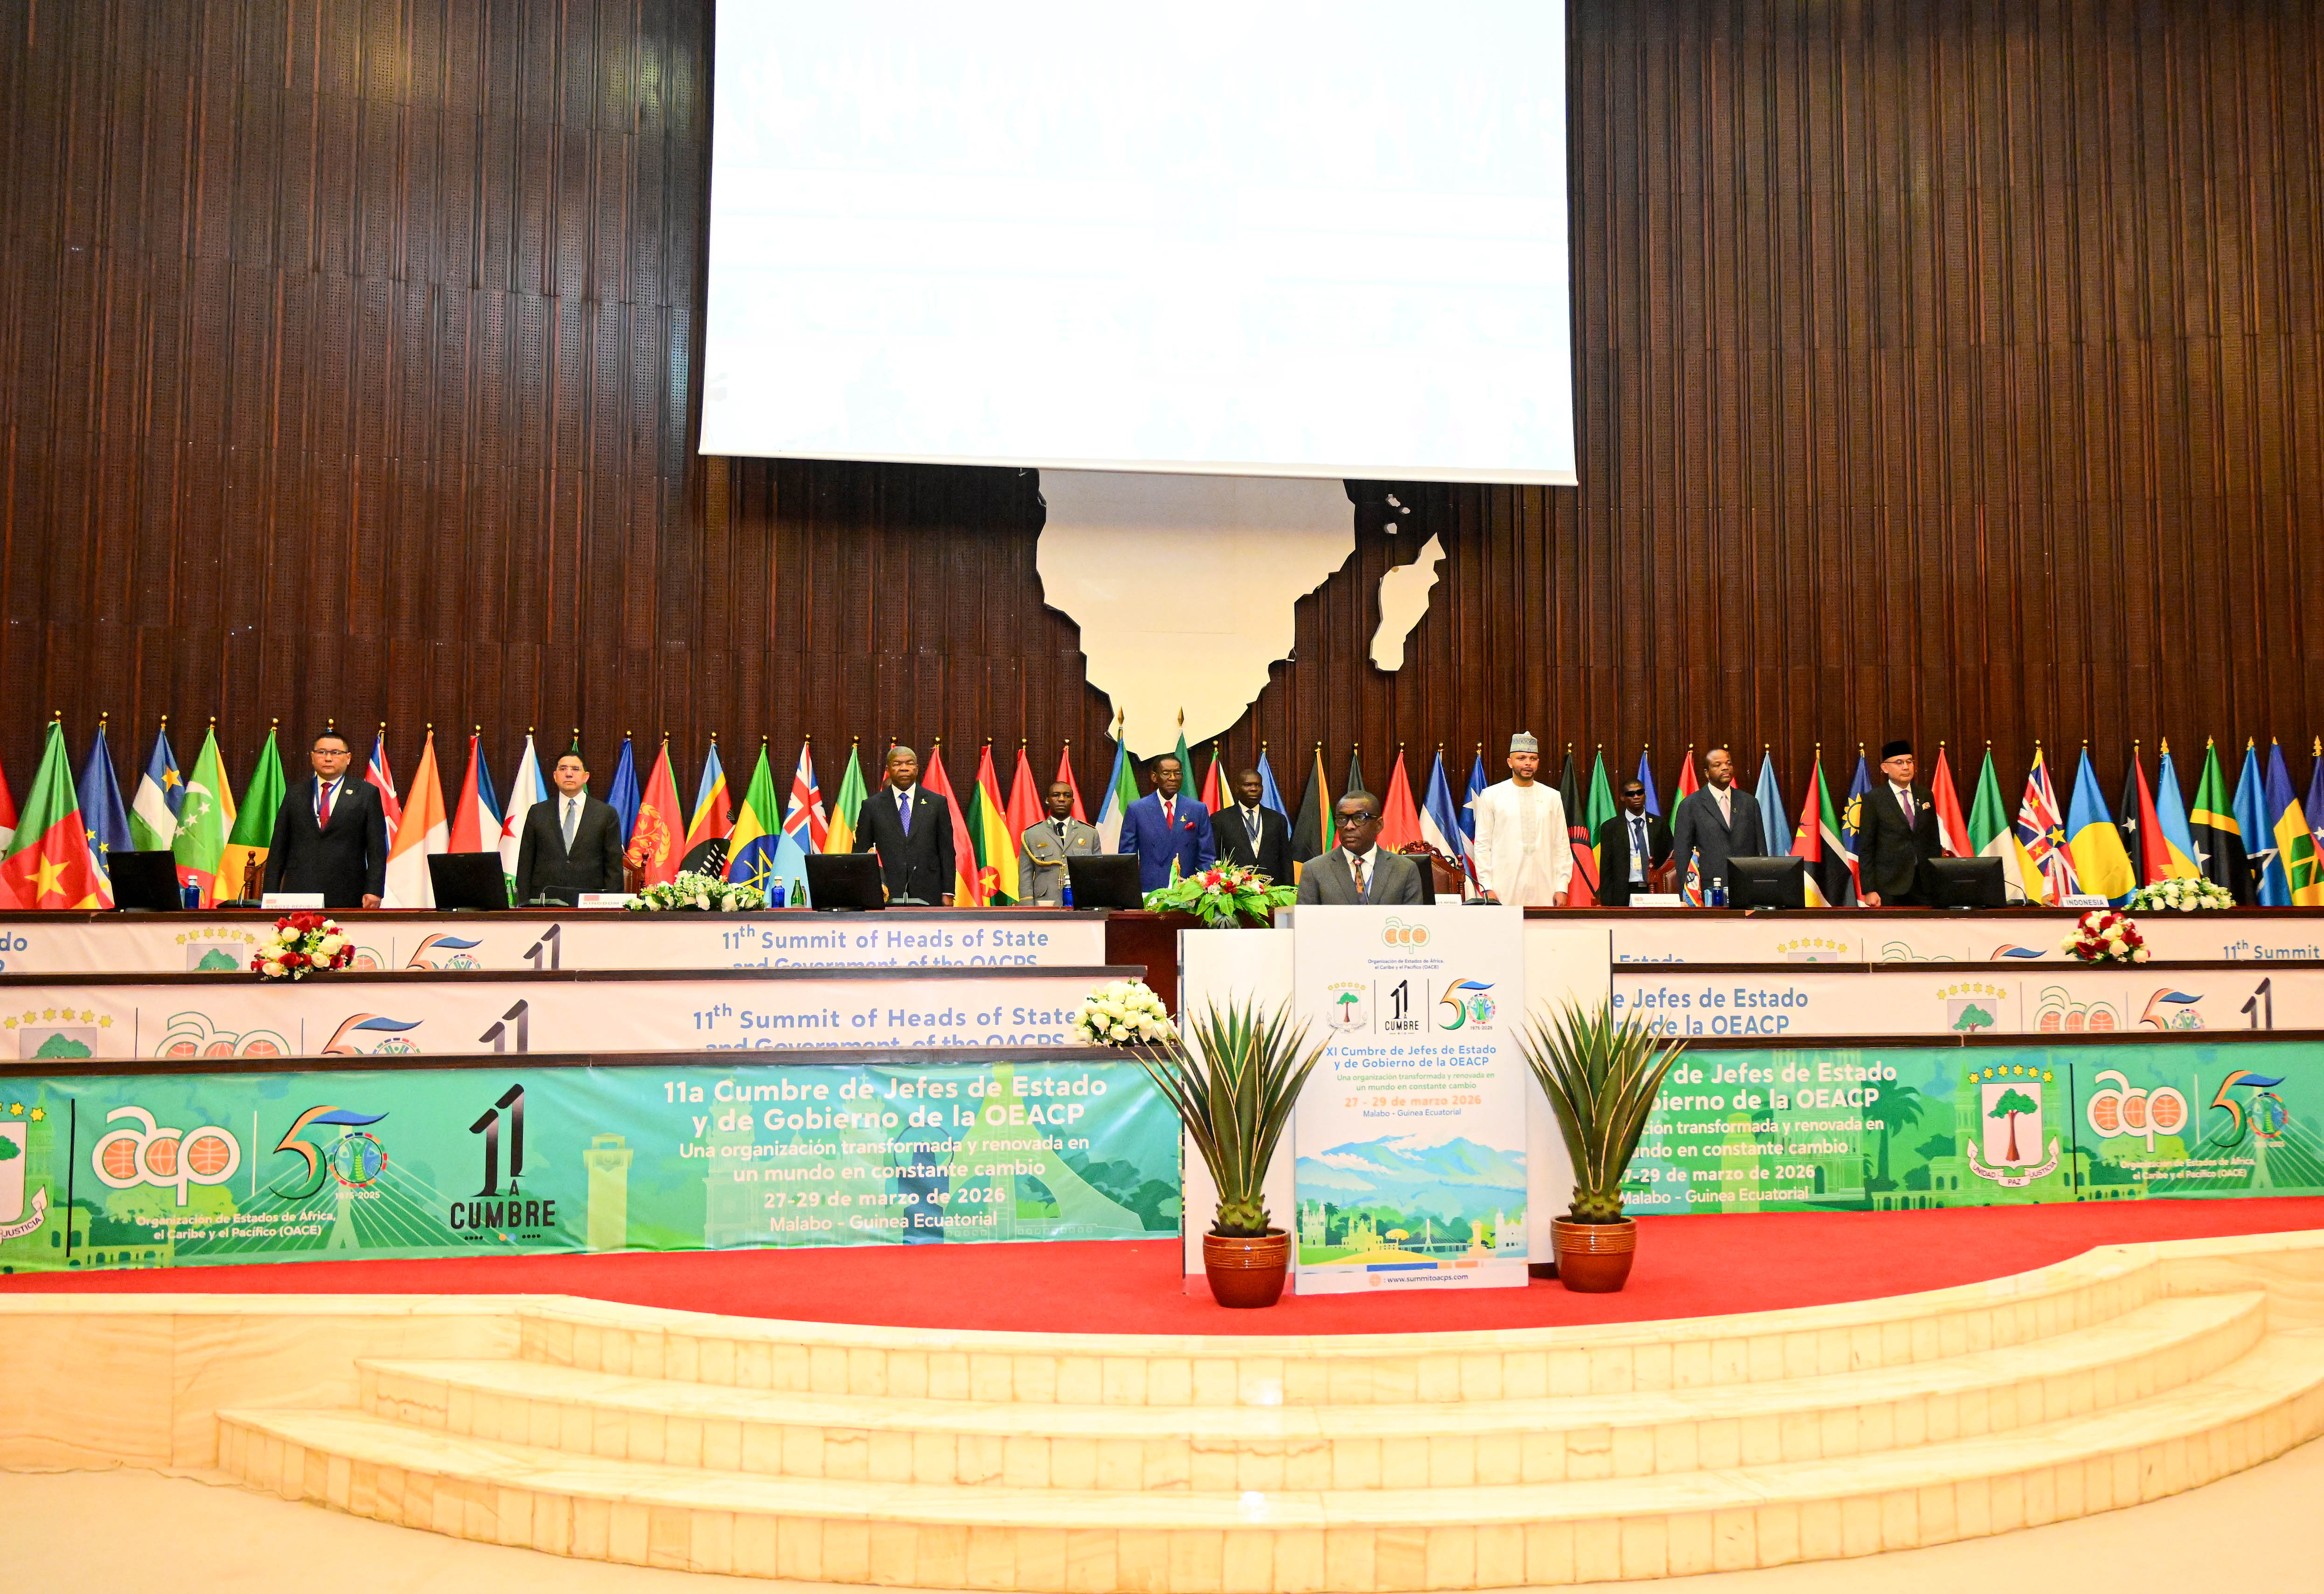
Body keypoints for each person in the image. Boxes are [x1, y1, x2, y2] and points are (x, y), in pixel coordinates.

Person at [263, 729, 390, 909]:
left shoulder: (366, 794)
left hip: (348, 891)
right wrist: (270, 894)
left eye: (336, 753)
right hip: (299, 891)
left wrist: (374, 890)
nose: (328, 758)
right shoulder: (295, 794)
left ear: (348, 758)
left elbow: (377, 848)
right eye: (322, 752)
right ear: (312, 757)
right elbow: (278, 848)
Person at [1470, 732, 1573, 906]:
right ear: (1510, 762)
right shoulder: (1492, 795)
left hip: (1545, 886)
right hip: (1503, 887)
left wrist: (1562, 887)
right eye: (1522, 758)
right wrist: (1487, 887)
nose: (1528, 763)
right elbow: (1482, 845)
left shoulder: (1552, 797)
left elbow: (1561, 844)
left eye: (1533, 759)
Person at [514, 751, 626, 905]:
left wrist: (612, 907)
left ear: (586, 777)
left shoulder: (606, 814)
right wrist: (523, 904)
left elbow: (613, 868)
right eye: (563, 769)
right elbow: (525, 863)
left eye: (575, 769)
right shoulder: (537, 812)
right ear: (555, 776)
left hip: (590, 905)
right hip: (545, 903)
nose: (568, 774)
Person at [851, 745, 955, 905]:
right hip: (886, 892)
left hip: (929, 891)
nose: (904, 768)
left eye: (910, 763)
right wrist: (864, 891)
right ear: (888, 769)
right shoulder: (872, 806)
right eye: (897, 764)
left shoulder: (937, 803)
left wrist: (948, 892)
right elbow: (861, 853)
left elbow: (946, 850)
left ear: (917, 768)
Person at [1294, 792, 1426, 904]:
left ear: (1379, 825)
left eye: (1359, 818)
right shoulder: (1314, 869)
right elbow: (1306, 922)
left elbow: (1413, 921)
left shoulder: (1405, 869)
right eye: (1342, 819)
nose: (1349, 826)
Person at [1669, 745, 1764, 899]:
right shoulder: (1691, 805)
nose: (1725, 768)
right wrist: (1689, 894)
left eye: (1729, 763)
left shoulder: (1749, 803)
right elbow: (1683, 854)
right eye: (1717, 765)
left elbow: (1760, 848)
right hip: (1708, 889)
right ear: (1707, 773)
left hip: (1746, 886)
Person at [1858, 738, 1941, 907]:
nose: (1906, 767)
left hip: (1925, 884)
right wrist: (1869, 890)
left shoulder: (1925, 795)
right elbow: (1866, 848)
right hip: (1889, 885)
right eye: (1899, 763)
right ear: (1885, 768)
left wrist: (1939, 880)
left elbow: (1933, 840)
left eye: (1909, 761)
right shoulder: (1874, 800)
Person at [1117, 753, 1214, 891]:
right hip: (1150, 892)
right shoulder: (1137, 810)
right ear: (1154, 777)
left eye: (1177, 773)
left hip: (1189, 891)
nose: (1173, 778)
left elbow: (1207, 856)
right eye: (1166, 773)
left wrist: (1205, 889)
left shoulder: (1198, 809)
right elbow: (1127, 858)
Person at [1018, 781, 1101, 906]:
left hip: (1081, 905)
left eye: (1067, 796)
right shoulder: (1032, 835)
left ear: (1073, 802)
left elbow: (1097, 875)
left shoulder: (1090, 834)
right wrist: (1028, 909)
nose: (1062, 799)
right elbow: (1025, 877)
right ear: (1047, 800)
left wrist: (1096, 906)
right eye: (1056, 795)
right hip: (1044, 905)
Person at [1596, 776, 1673, 907]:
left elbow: (1670, 859)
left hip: (1654, 889)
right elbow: (1606, 868)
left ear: (1645, 794)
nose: (1636, 797)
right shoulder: (1611, 827)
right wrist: (1607, 901)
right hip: (1623, 892)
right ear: (1623, 798)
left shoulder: (1659, 824)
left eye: (1640, 793)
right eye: (1631, 794)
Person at [1211, 768, 1293, 883]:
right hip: (1236, 889)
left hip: (1272, 889)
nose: (1254, 789)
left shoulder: (1277, 820)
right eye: (1248, 785)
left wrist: (1289, 890)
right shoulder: (1220, 819)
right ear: (1237, 789)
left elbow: (1286, 861)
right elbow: (1215, 859)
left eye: (1258, 785)